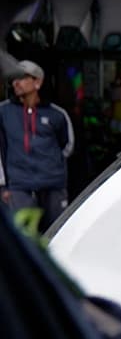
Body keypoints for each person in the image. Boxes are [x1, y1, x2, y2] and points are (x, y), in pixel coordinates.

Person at [0, 59, 74, 231]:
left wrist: (48, 165)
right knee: (24, 238)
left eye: (22, 78)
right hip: (19, 186)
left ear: (37, 82)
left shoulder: (56, 114)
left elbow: (67, 146)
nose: (15, 82)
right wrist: (3, 185)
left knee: (58, 234)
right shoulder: (3, 112)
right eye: (13, 79)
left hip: (53, 185)